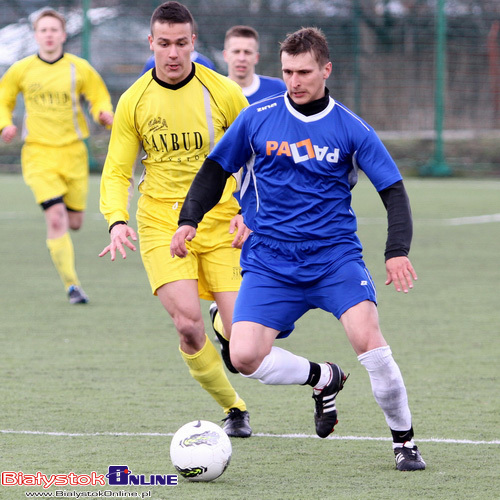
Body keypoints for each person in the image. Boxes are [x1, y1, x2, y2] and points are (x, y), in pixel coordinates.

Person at [171, 27, 426, 471]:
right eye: (287, 71)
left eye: (304, 71)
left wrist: (397, 250)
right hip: (270, 262)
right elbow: (214, 169)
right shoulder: (257, 117)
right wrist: (188, 220)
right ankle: (323, 377)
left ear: (326, 69)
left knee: (372, 344)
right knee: (243, 357)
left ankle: (404, 442)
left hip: (334, 258)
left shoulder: (351, 127)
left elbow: (393, 189)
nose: (294, 81)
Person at [99, 1, 252, 437]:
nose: (171, 53)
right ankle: (234, 406)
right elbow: (116, 171)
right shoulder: (134, 100)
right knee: (186, 323)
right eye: (163, 44)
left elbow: (256, 159)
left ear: (193, 43)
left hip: (222, 221)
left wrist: (250, 211)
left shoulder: (223, 91)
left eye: (180, 44)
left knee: (246, 348)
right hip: (162, 223)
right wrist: (116, 220)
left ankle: (227, 326)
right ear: (151, 43)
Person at [0, 8, 113, 304]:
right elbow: (4, 100)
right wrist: (6, 123)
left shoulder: (79, 68)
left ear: (63, 35)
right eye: (43, 30)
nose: (49, 35)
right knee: (56, 218)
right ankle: (72, 286)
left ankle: (69, 270)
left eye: (54, 30)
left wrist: (103, 114)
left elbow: (98, 95)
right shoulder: (21, 69)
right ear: (36, 35)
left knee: (74, 222)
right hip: (38, 155)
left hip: (74, 154)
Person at [223, 25, 286, 104]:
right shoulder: (215, 91)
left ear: (256, 57)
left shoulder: (278, 89)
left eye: (247, 52)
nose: (242, 58)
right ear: (225, 55)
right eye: (236, 52)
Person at [140, 21, 215, 76]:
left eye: (181, 44)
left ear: (193, 40)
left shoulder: (205, 64)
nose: (173, 54)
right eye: (165, 44)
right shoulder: (152, 63)